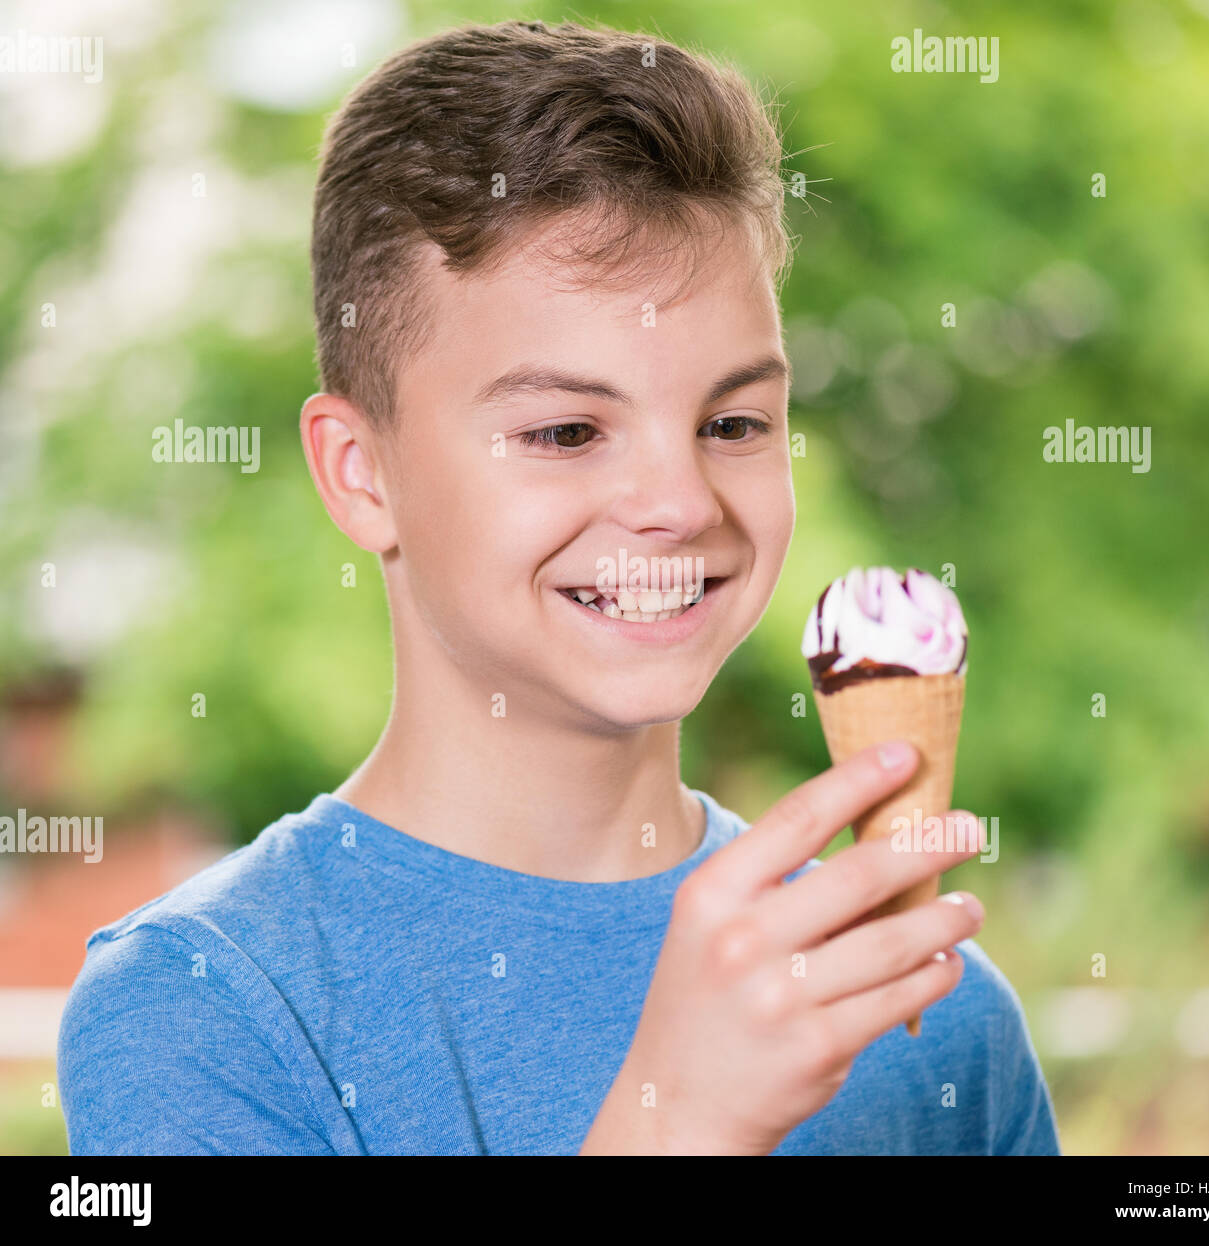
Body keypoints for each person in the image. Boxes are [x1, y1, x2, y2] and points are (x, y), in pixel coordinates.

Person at [58, 18, 1059, 1156]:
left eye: (732, 422)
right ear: (361, 471)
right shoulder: (204, 1010)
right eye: (567, 429)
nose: (681, 501)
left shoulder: (930, 1007)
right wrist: (674, 1123)